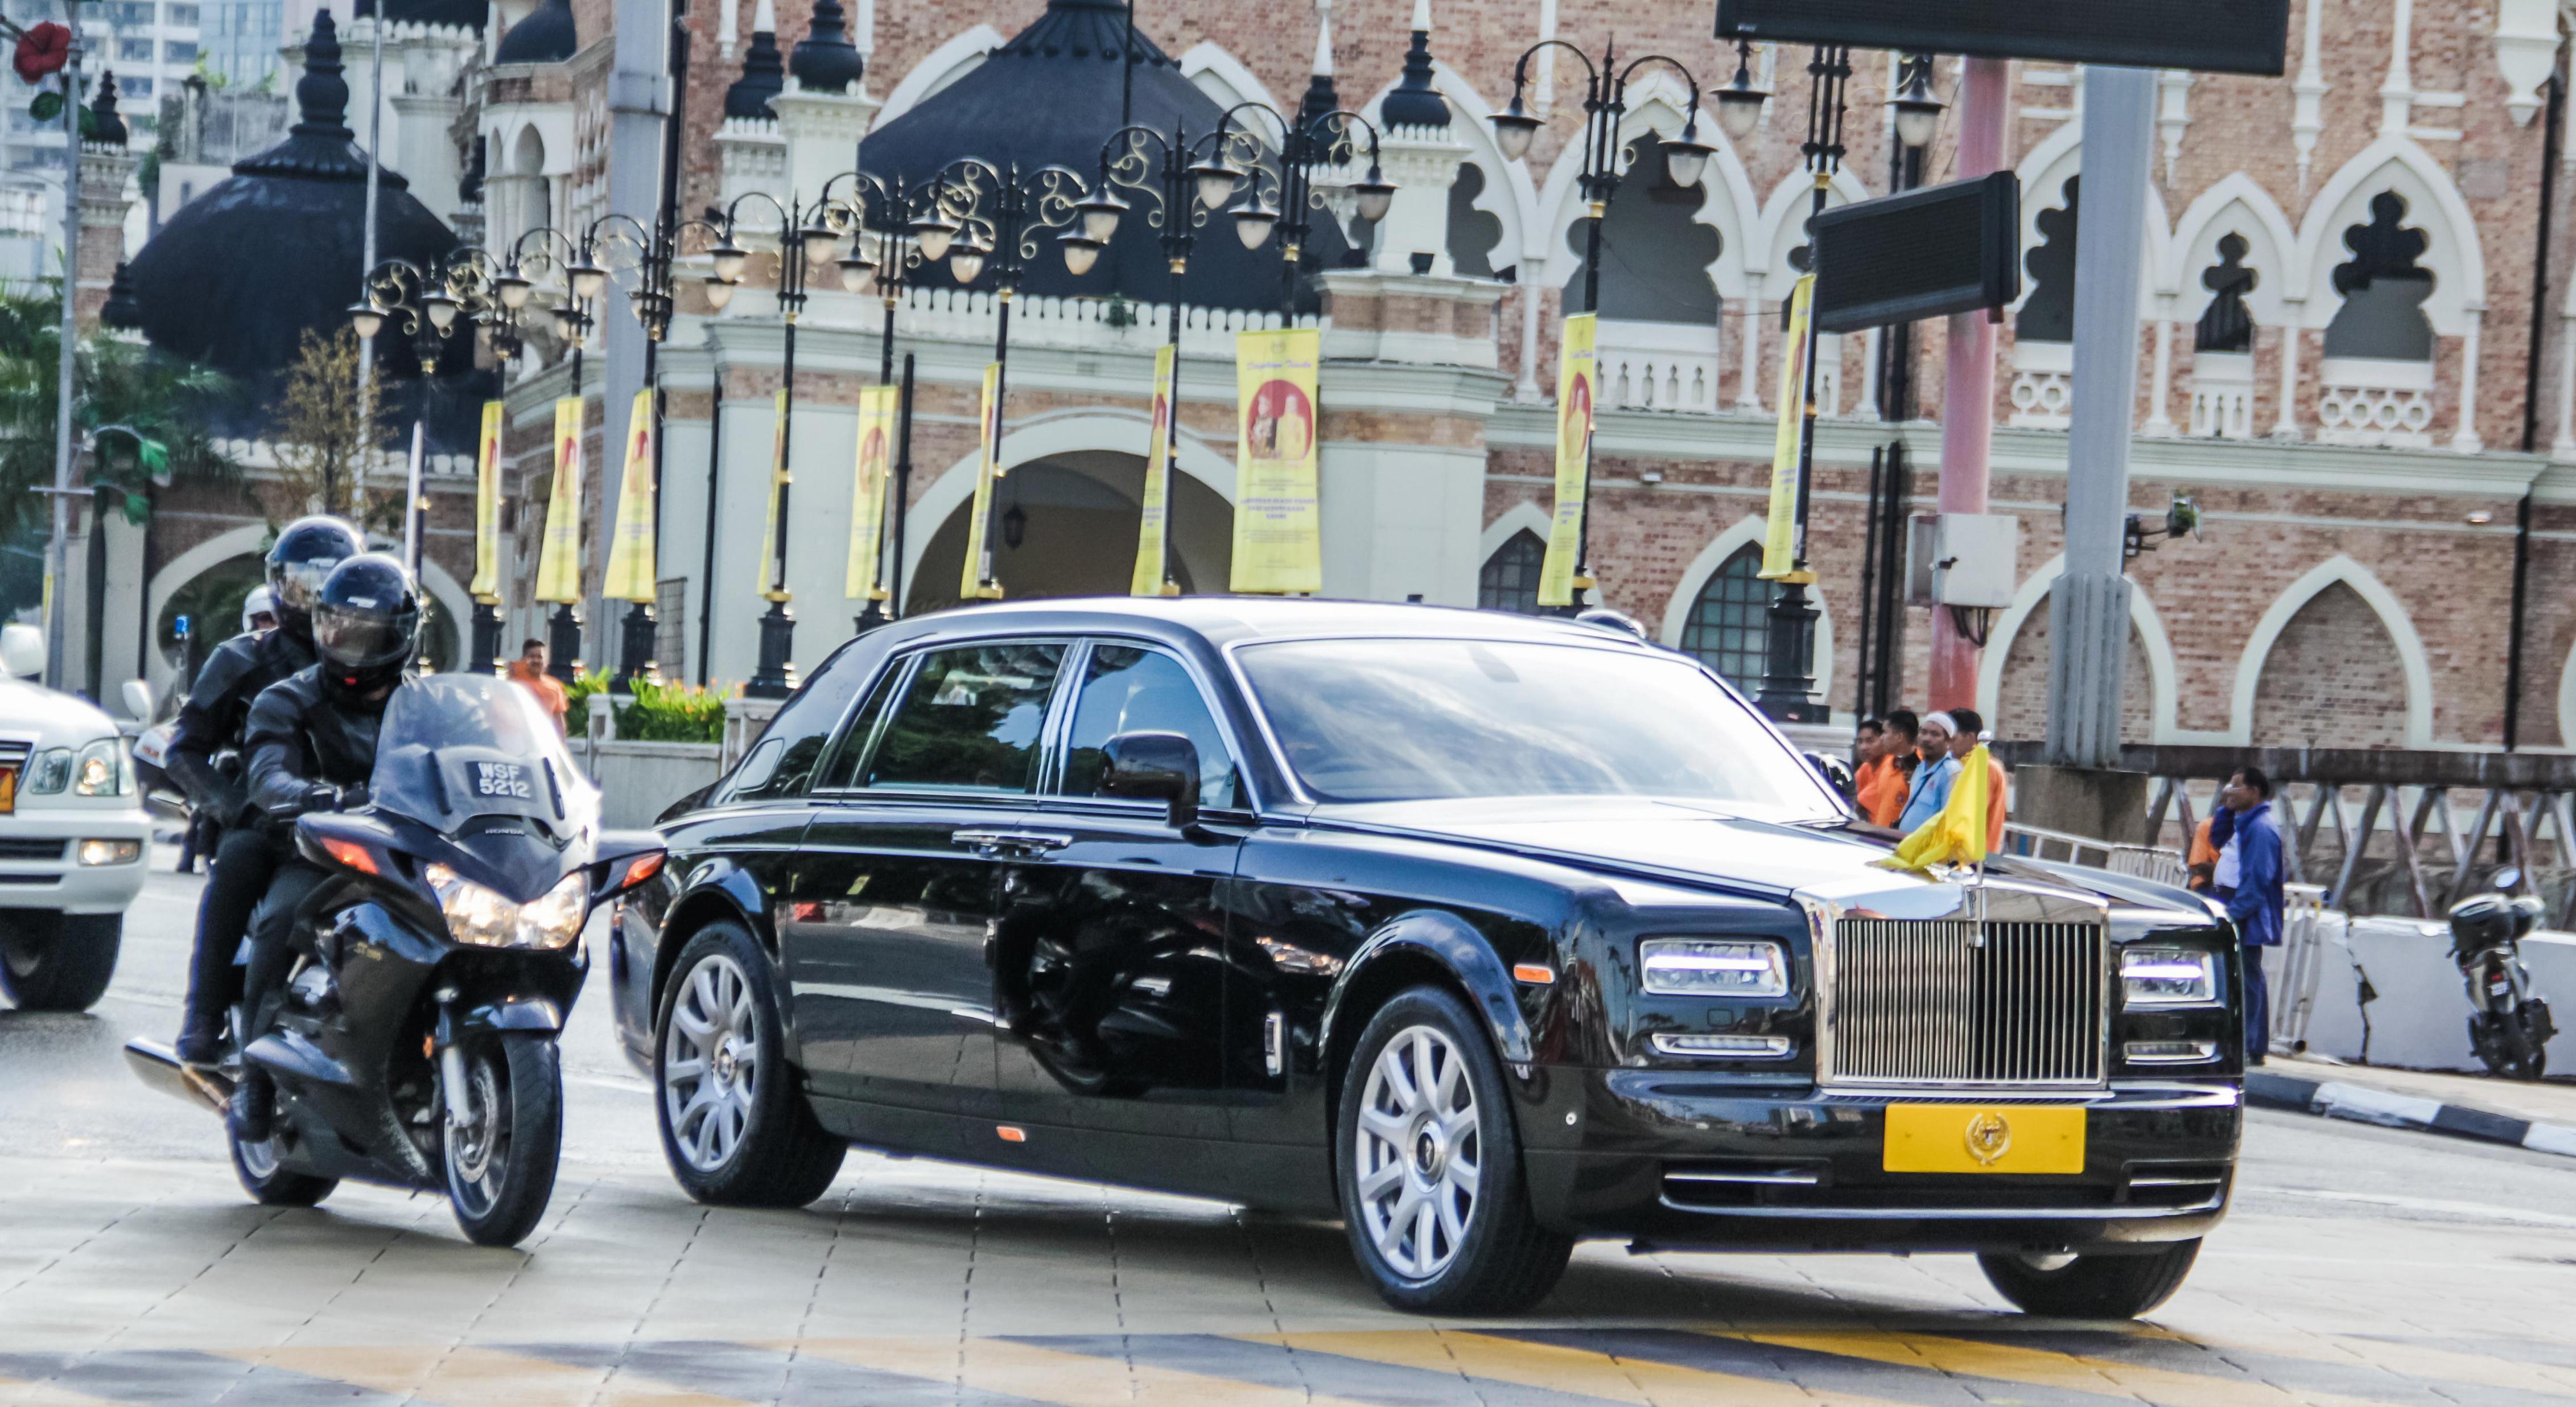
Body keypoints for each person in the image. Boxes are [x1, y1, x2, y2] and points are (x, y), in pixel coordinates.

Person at [229, 553, 421, 1141]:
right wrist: (311, 795)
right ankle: (254, 1077)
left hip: (408, 853)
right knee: (283, 918)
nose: (352, 642)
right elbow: (266, 770)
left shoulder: (425, 705)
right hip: (319, 852)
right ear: (321, 625)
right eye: (341, 627)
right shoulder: (286, 698)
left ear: (402, 635)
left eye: (371, 632)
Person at [165, 516, 362, 1063]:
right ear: (280, 585)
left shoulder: (370, 659)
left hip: (355, 823)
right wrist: (231, 807)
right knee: (237, 866)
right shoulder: (242, 659)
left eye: (330, 581)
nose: (316, 595)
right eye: (304, 582)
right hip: (265, 822)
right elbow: (182, 750)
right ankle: (204, 1014)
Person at [2216, 766, 2284, 1064]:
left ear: (2255, 792)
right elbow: (2216, 840)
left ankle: (2251, 1046)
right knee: (2238, 975)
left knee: (2246, 976)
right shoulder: (2244, 822)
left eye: (2237, 787)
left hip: (2243, 909)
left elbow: (2257, 880)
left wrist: (2232, 915)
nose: (2230, 792)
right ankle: (2244, 1043)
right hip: (2234, 903)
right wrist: (2225, 807)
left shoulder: (2260, 828)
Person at [1945, 706, 2009, 852]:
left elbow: (1969, 813)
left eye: (1952, 738)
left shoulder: (1985, 767)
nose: (1948, 744)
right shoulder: (1959, 764)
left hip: (1973, 856)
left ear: (1970, 738)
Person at [1897, 711, 1960, 831]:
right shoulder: (1920, 768)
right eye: (1924, 732)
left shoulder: (1951, 772)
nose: (1926, 739)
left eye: (1935, 734)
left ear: (1949, 741)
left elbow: (1949, 819)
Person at [1860, 710, 1918, 827]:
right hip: (1881, 839)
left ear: (1899, 737)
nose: (1881, 738)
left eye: (1885, 733)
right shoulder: (1887, 765)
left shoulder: (1921, 767)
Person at [507, 636, 570, 735]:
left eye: (540, 657)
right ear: (523, 659)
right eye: (531, 657)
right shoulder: (516, 684)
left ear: (546, 661)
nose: (536, 660)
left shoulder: (555, 687)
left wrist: (561, 744)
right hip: (519, 738)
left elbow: (559, 720)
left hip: (543, 741)